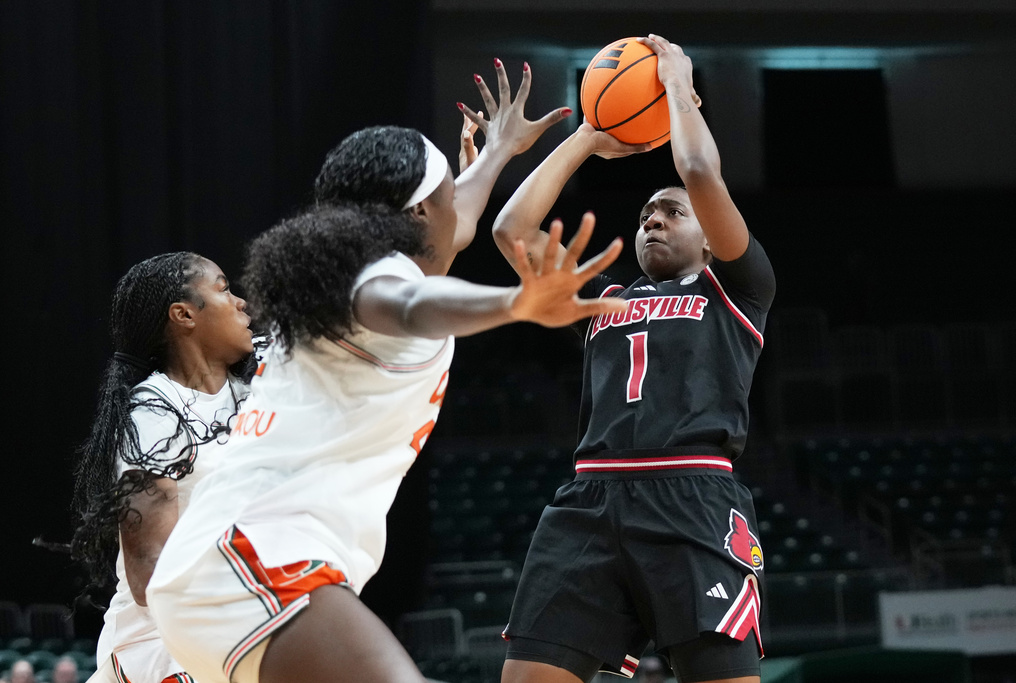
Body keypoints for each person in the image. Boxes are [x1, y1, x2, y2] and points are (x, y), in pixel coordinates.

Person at [145, 62, 628, 683]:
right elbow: (406, 306)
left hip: (233, 566)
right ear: (421, 212)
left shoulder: (362, 263)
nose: (462, 197)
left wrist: (506, 148)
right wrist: (513, 304)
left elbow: (456, 225)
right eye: (449, 191)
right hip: (253, 558)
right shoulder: (378, 281)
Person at [491, 35, 775, 683]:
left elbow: (700, 173)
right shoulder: (603, 299)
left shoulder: (737, 287)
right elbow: (511, 231)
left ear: (711, 235)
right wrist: (590, 135)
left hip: (694, 495)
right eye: (646, 212)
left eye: (671, 212)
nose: (652, 218)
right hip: (589, 500)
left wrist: (676, 81)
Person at [71, 251, 257, 683]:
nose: (241, 302)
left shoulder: (260, 385)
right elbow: (148, 573)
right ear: (183, 314)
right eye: (224, 288)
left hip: (238, 628)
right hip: (164, 644)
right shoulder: (154, 412)